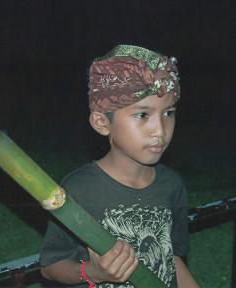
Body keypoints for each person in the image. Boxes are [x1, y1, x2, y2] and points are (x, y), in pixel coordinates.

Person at [39, 44, 200, 288]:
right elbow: (51, 267)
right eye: (142, 115)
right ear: (102, 122)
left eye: (168, 113)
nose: (160, 130)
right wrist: (93, 272)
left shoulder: (171, 184)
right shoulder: (79, 189)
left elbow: (172, 257)